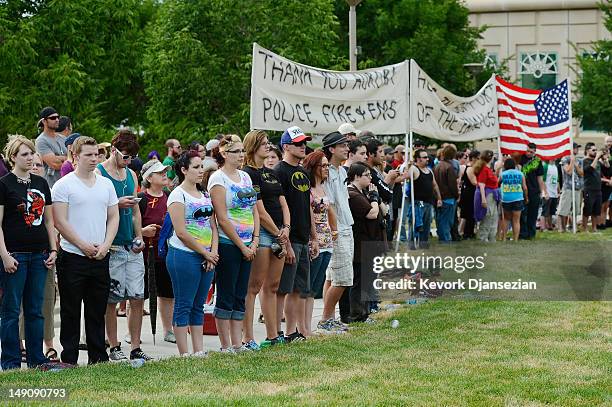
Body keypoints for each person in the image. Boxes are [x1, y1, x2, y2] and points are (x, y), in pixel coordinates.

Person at [52, 136, 119, 365]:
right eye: (88, 155)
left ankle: (98, 357)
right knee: (70, 311)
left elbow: (113, 217)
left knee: (96, 309)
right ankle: (69, 358)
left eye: (96, 154)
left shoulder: (106, 184)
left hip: (101, 255)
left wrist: (106, 245)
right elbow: (60, 222)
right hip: (73, 256)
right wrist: (82, 245)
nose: (94, 159)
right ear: (75, 156)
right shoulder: (64, 185)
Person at [0, 136, 57, 370]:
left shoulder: (41, 184)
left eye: (32, 153)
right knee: (11, 311)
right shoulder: (4, 184)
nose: (31, 158)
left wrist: (53, 248)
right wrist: (4, 255)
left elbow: (49, 221)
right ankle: (11, 362)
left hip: (39, 255)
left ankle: (37, 359)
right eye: (25, 154)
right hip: (15, 255)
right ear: (13, 157)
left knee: (36, 310)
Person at [96, 129, 151, 362]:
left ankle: (136, 346)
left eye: (131, 158)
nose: (128, 162)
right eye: (125, 156)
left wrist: (139, 237)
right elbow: (96, 208)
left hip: (131, 244)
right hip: (112, 244)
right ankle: (114, 345)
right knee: (112, 298)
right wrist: (116, 203)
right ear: (114, 150)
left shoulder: (131, 174)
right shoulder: (99, 174)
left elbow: (137, 211)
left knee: (137, 297)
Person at [209, 135, 259, 352]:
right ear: (224, 154)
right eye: (236, 151)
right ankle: (225, 344)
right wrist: (241, 245)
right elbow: (222, 218)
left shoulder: (246, 177)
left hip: (249, 242)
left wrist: (255, 240)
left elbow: (254, 209)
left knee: (241, 293)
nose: (241, 155)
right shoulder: (218, 179)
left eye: (242, 151)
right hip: (229, 243)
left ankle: (238, 343)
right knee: (226, 292)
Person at [166, 151, 218, 356]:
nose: (200, 171)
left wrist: (212, 253)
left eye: (201, 167)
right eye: (196, 167)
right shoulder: (177, 195)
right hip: (184, 254)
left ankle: (198, 350)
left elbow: (213, 226)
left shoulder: (204, 194)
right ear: (184, 169)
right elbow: (181, 232)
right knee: (184, 303)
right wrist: (205, 253)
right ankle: (184, 353)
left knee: (199, 304)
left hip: (206, 255)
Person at [241, 130, 290, 349]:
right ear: (253, 147)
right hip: (261, 232)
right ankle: (247, 337)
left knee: (273, 285)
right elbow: (258, 210)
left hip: (280, 231)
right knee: (254, 286)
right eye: (263, 143)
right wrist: (278, 233)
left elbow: (283, 203)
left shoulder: (271, 173)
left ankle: (273, 334)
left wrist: (286, 228)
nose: (268, 147)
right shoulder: (247, 173)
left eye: (269, 143)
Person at [274, 127, 318, 340]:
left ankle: (296, 330)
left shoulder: (303, 172)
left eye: (304, 143)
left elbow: (307, 205)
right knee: (284, 288)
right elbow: (278, 209)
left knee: (300, 288)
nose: (303, 147)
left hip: (303, 237)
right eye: (298, 143)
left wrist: (314, 236)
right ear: (286, 147)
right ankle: (282, 331)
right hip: (289, 239)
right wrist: (286, 242)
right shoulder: (279, 172)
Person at [138, 160, 175, 344]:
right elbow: (132, 225)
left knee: (167, 294)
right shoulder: (141, 199)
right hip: (143, 254)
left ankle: (168, 330)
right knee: (138, 295)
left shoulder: (169, 195)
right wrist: (143, 232)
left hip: (165, 253)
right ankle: (133, 332)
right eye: (160, 172)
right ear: (149, 177)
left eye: (165, 172)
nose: (164, 175)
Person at [318, 131, 352, 332]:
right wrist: (334, 230)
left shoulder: (342, 171)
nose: (347, 149)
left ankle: (329, 317)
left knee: (332, 276)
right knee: (343, 277)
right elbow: (328, 203)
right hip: (337, 229)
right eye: (342, 146)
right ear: (331, 149)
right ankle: (325, 319)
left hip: (347, 225)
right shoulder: (327, 172)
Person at [302, 151, 336, 333]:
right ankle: (304, 327)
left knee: (315, 287)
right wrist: (314, 238)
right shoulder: (307, 189)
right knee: (308, 285)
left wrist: (334, 230)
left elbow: (330, 211)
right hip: (313, 240)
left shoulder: (324, 187)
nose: (326, 169)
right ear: (313, 167)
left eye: (327, 165)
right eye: (322, 166)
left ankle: (308, 328)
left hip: (327, 239)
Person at [346, 162, 383, 322]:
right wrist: (374, 199)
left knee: (367, 279)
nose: (370, 178)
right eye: (367, 175)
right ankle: (357, 314)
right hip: (360, 244)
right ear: (356, 176)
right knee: (359, 281)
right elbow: (372, 214)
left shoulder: (363, 193)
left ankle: (366, 311)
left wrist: (376, 198)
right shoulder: (353, 194)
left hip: (370, 242)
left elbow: (384, 211)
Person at [401, 149, 442, 245]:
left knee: (426, 229)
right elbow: (403, 178)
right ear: (418, 159)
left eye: (427, 157)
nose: (427, 159)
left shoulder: (429, 170)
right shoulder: (414, 169)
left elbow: (435, 185)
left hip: (428, 203)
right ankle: (411, 248)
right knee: (415, 227)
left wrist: (439, 198)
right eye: (424, 157)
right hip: (417, 204)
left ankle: (423, 247)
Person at [519, 143, 547, 239]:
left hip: (534, 191)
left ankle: (531, 234)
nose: (528, 153)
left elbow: (540, 178)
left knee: (533, 213)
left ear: (535, 152)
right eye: (527, 151)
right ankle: (523, 234)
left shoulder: (537, 161)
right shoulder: (520, 158)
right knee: (522, 214)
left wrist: (543, 191)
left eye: (531, 152)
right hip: (521, 191)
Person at [35, 107, 67, 188]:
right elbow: (55, 164)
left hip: (67, 184)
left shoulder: (63, 138)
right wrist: (68, 159)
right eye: (52, 118)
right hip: (51, 185)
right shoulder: (41, 140)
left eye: (57, 117)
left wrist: (58, 157)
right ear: (44, 121)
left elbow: (75, 159)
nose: (56, 120)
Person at [433, 144, 459, 242]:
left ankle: (442, 238)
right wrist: (456, 195)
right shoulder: (449, 167)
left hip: (438, 197)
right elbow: (452, 185)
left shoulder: (437, 166)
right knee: (447, 221)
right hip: (448, 198)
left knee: (440, 220)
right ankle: (445, 240)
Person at [557, 143, 584, 232]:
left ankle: (573, 226)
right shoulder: (565, 159)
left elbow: (581, 173)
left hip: (577, 188)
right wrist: (572, 161)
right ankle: (561, 228)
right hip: (568, 187)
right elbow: (568, 171)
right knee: (563, 209)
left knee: (575, 210)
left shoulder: (580, 160)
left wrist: (575, 164)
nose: (577, 150)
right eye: (576, 148)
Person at [473, 150, 499, 242]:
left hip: (492, 195)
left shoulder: (487, 169)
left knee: (493, 216)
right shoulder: (484, 169)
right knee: (487, 216)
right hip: (487, 195)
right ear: (491, 158)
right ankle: (483, 238)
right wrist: (483, 200)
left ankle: (491, 237)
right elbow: (481, 185)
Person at [500, 158, 528, 241]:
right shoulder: (520, 174)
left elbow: (497, 183)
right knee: (516, 220)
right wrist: (526, 197)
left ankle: (504, 238)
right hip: (518, 198)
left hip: (506, 198)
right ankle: (515, 239)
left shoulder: (503, 174)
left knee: (506, 219)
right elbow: (525, 188)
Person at [582, 143, 603, 232]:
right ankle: (585, 228)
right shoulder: (585, 160)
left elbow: (607, 167)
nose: (595, 152)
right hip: (589, 188)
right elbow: (590, 169)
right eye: (593, 150)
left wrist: (605, 159)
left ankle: (594, 228)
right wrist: (597, 157)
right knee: (587, 209)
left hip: (598, 189)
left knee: (596, 210)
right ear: (587, 150)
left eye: (596, 150)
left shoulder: (597, 161)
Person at [459, 150, 480, 239]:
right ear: (473, 158)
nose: (479, 160)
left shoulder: (473, 168)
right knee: (469, 214)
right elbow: (474, 182)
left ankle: (470, 232)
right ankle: (467, 233)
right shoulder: (470, 168)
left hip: (471, 192)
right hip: (469, 193)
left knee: (471, 214)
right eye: (478, 158)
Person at [541, 159, 561, 231]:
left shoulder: (555, 167)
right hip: (547, 192)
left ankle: (550, 226)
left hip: (554, 193)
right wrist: (545, 192)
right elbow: (542, 180)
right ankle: (543, 227)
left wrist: (558, 191)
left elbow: (557, 180)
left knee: (551, 211)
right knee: (545, 211)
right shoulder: (546, 166)